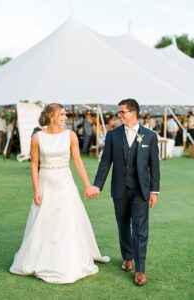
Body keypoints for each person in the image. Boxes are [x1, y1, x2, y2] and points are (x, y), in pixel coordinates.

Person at [10, 103, 109, 284]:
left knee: (67, 220)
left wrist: (87, 185)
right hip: (46, 183)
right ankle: (41, 257)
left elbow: (78, 161)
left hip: (65, 183)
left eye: (65, 114)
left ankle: (68, 259)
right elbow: (34, 165)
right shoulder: (37, 138)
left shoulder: (70, 136)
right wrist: (36, 189)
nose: (65, 117)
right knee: (44, 221)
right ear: (51, 116)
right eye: (61, 114)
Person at [87, 99, 160, 286]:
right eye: (119, 112)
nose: (119, 116)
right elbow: (105, 163)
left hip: (141, 191)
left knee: (140, 229)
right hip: (119, 189)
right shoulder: (112, 136)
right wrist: (97, 185)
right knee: (123, 226)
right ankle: (127, 257)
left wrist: (154, 191)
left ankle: (140, 269)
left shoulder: (150, 136)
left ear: (133, 113)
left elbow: (154, 166)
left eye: (122, 112)